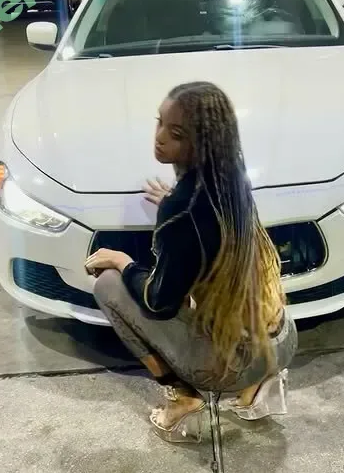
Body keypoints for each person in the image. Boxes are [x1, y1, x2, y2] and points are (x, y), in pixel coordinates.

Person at [85, 81, 297, 443]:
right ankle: (257, 388)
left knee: (107, 285)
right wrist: (176, 202)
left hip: (230, 365)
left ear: (202, 143)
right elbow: (209, 228)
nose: (159, 138)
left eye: (177, 133)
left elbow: (159, 302)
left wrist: (122, 261)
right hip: (282, 341)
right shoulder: (233, 179)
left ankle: (184, 398)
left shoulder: (182, 210)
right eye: (160, 122)